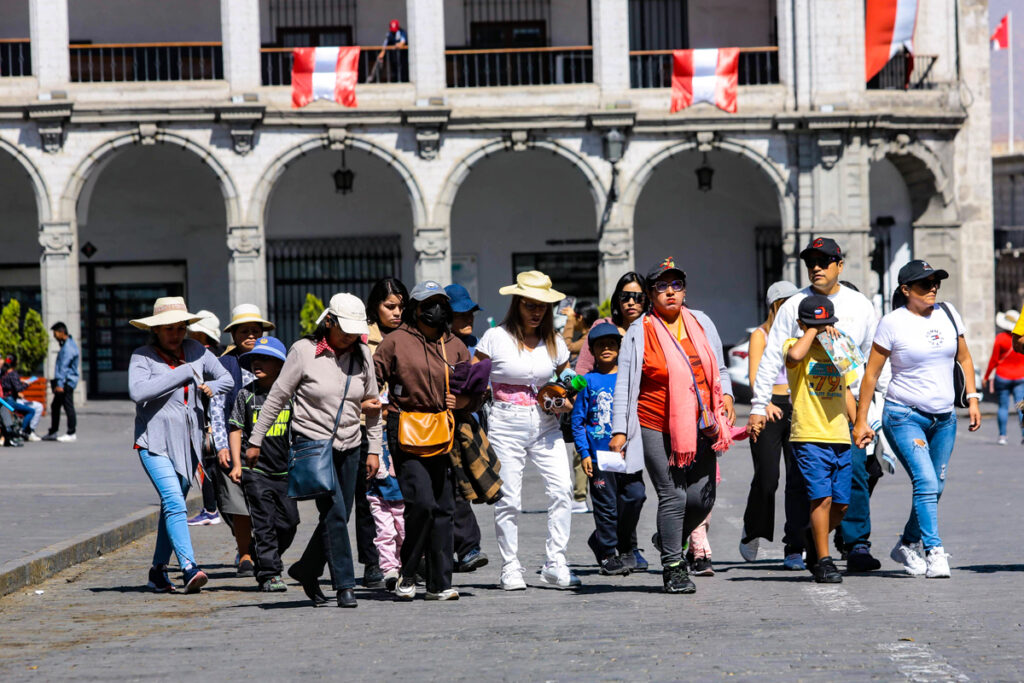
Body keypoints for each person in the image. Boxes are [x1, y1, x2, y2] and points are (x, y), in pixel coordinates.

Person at [748, 237, 886, 573]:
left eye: (825, 261)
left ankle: (850, 542)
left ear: (840, 265)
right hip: (805, 412)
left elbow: (871, 364)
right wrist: (757, 405)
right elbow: (772, 359)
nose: (817, 267)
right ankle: (806, 544)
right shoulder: (795, 305)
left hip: (848, 411)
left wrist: (868, 417)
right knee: (805, 485)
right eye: (811, 262)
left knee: (853, 480)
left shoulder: (860, 306)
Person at [609, 258, 734, 594]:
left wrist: (728, 399)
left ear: (684, 289)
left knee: (702, 498)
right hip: (655, 423)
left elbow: (719, 370)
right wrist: (619, 430)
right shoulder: (639, 331)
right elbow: (625, 384)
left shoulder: (702, 322)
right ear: (651, 293)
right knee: (674, 496)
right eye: (662, 286)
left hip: (702, 422)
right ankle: (674, 568)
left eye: (676, 285)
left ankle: (668, 536)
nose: (670, 292)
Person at [248, 293, 381, 608]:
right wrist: (255, 440)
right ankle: (345, 585)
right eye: (344, 330)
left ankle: (307, 568)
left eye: (355, 331)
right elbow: (278, 397)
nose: (350, 337)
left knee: (339, 514)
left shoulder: (363, 354)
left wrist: (374, 448)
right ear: (329, 322)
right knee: (334, 513)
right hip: (313, 443)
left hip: (352, 443)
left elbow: (373, 406)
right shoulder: (303, 351)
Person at [853, 260, 982, 579]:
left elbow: (964, 357)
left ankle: (907, 543)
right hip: (903, 415)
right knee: (925, 481)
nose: (932, 288)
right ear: (906, 290)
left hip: (945, 419)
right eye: (924, 284)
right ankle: (934, 550)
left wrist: (974, 398)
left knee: (935, 486)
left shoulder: (949, 314)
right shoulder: (892, 323)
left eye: (935, 282)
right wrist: (861, 421)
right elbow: (871, 374)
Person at [476, 271, 581, 591]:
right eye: (529, 305)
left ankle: (555, 562)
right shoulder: (496, 337)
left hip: (546, 424)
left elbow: (569, 379)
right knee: (508, 498)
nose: (536, 311)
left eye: (542, 306)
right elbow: (475, 377)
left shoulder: (555, 342)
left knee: (563, 489)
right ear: (517, 304)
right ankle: (510, 566)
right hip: (505, 422)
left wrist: (568, 399)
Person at [128, 297, 232, 594]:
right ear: (156, 330)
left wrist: (212, 386)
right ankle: (189, 567)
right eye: (167, 328)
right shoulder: (142, 356)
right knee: (175, 501)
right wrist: (182, 374)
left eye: (179, 328)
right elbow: (138, 393)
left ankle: (158, 571)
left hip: (189, 445)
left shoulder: (197, 351)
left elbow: (224, 377)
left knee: (169, 506)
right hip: (154, 442)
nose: (175, 334)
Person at [374, 281, 470, 601]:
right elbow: (372, 381)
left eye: (441, 302)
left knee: (444, 508)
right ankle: (408, 570)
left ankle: (440, 583)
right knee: (423, 505)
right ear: (416, 308)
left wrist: (464, 399)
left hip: (444, 430)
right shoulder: (395, 342)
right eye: (429, 302)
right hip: (405, 429)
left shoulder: (454, 343)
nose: (437, 309)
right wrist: (377, 406)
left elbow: (472, 389)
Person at [784, 296, 864, 583]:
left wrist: (859, 424)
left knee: (841, 505)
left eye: (826, 323)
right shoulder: (795, 349)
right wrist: (811, 332)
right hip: (809, 435)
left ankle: (811, 536)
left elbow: (846, 390)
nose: (822, 329)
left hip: (839, 436)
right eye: (815, 324)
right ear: (802, 324)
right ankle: (823, 560)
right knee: (822, 498)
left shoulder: (838, 349)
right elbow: (793, 357)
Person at [575, 271, 649, 571]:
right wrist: (584, 454)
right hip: (600, 450)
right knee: (606, 503)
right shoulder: (589, 380)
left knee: (634, 496)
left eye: (638, 296)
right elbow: (578, 414)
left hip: (630, 446)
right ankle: (609, 551)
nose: (631, 301)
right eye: (625, 296)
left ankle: (621, 543)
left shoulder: (629, 374)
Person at [739, 280, 808, 570]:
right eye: (786, 303)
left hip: (799, 408)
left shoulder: (804, 333)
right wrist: (763, 402)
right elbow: (756, 375)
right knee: (768, 479)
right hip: (769, 408)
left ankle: (795, 545)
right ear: (775, 305)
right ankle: (753, 530)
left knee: (799, 479)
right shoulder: (762, 334)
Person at [228, 337, 300, 592]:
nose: (258, 363)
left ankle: (262, 558)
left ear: (281, 365)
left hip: (285, 473)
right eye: (255, 359)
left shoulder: (291, 395)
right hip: (255, 473)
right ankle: (270, 574)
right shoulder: (246, 395)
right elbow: (235, 429)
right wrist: (237, 464)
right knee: (264, 523)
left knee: (289, 523)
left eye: (266, 359)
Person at [212, 304, 275, 577]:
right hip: (235, 442)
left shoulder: (276, 360)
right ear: (234, 335)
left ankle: (266, 550)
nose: (250, 335)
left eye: (255, 331)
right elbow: (216, 407)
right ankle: (245, 553)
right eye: (244, 331)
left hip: (271, 445)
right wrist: (221, 444)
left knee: (269, 502)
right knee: (239, 504)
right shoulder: (224, 365)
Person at [360, 277, 410, 588]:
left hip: (406, 423)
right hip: (369, 423)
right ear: (375, 307)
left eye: (401, 307)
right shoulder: (364, 339)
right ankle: (372, 563)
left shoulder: (411, 335)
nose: (396, 312)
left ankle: (407, 558)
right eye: (389, 306)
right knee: (369, 498)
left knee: (403, 497)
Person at [444, 282, 489, 572]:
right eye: (461, 314)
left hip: (469, 425)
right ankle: (454, 549)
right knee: (444, 489)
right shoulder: (436, 344)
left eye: (471, 313)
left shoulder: (477, 345)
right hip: (436, 425)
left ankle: (468, 548)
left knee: (463, 487)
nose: (468, 319)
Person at [186, 310, 223, 527]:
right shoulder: (220, 353)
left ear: (201, 334)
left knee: (207, 465)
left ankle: (210, 509)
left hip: (206, 420)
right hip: (218, 420)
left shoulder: (202, 357)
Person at [365, 413, 405, 591]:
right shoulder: (371, 432)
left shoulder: (402, 428)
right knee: (385, 533)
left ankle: (405, 568)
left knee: (404, 534)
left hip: (401, 494)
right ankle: (389, 571)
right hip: (378, 495)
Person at [984, 310, 1024, 445]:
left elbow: (994, 360)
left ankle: (1002, 436)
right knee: (1021, 405)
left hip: (1003, 376)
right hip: (1020, 375)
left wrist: (986, 375)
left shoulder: (1000, 338)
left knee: (1003, 406)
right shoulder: (1021, 339)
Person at [44, 321, 78, 442]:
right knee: (55, 406)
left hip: (65, 383)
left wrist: (59, 384)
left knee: (68, 406)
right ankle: (53, 431)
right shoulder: (67, 344)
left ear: (62, 332)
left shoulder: (68, 347)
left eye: (55, 333)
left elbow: (64, 367)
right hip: (65, 381)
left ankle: (71, 432)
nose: (54, 336)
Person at [1, 356, 43, 441]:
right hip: (9, 400)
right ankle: (23, 431)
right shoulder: (12, 373)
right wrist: (27, 384)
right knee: (31, 410)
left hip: (5, 399)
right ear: (15, 363)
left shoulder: (4, 373)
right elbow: (18, 388)